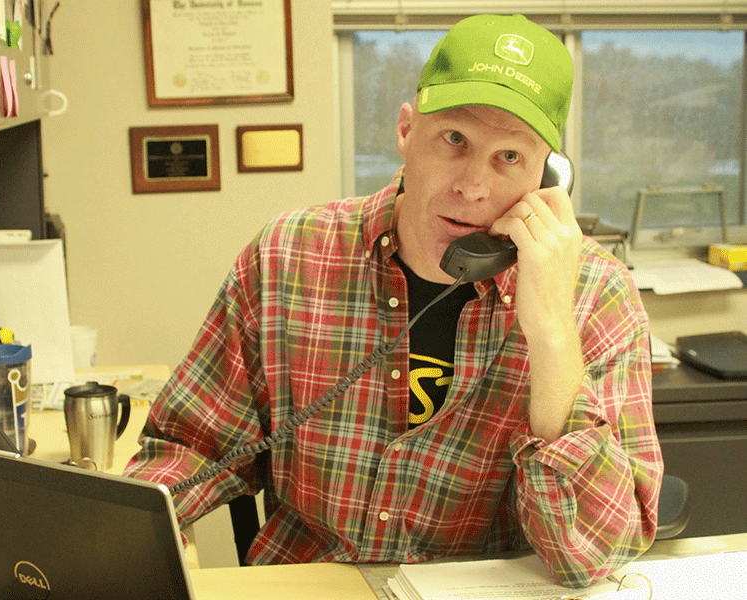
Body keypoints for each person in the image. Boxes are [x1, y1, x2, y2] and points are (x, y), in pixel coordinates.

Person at [124, 14, 662, 588]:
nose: (473, 186)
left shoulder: (596, 295)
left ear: (548, 177)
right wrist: (129, 543)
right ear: (407, 130)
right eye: (455, 140)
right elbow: (190, 446)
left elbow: (596, 554)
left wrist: (554, 336)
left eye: (510, 157)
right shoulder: (288, 255)